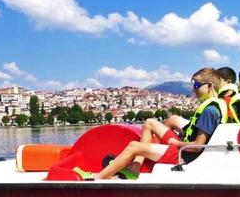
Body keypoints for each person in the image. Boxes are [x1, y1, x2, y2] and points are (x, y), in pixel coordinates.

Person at [74, 68, 227, 180]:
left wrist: (176, 142)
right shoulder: (212, 107)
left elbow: (197, 146)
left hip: (184, 156)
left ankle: (99, 177)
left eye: (196, 86)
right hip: (182, 148)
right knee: (149, 123)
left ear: (210, 86)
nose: (194, 91)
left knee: (134, 146)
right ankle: (135, 167)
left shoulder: (209, 111)